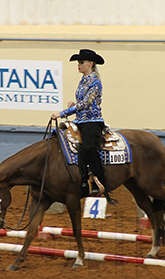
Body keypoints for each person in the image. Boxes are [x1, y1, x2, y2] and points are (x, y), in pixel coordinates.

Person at [51, 49, 107, 197]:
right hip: (81, 120)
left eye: (81, 62)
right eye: (78, 62)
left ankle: (99, 180)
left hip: (93, 121)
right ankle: (81, 179)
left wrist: (62, 113)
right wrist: (73, 104)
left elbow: (86, 104)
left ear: (90, 64)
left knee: (89, 147)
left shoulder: (95, 83)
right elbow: (82, 103)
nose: (79, 65)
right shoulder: (83, 81)